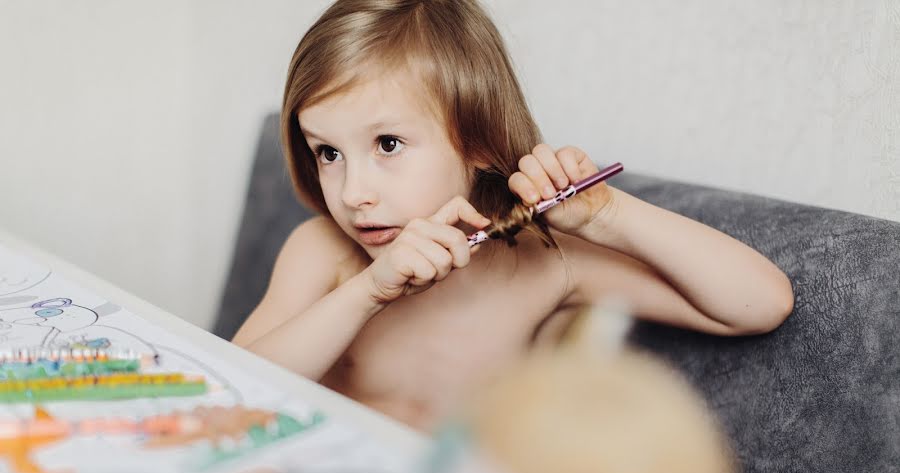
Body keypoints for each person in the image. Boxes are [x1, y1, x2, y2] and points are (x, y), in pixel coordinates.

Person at [232, 0, 794, 430]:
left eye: (387, 144)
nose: (354, 192)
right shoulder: (323, 252)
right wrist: (367, 293)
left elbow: (759, 304)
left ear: (478, 140)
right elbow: (228, 385)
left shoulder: (547, 265)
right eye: (328, 152)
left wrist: (609, 216)